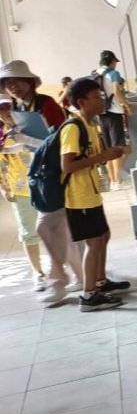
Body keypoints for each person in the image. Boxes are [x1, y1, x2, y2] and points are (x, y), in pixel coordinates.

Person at [0, 59, 82, 303]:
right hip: (43, 175)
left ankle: (58, 280)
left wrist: (27, 140)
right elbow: (33, 143)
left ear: (29, 82)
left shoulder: (45, 104)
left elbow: (59, 141)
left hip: (59, 173)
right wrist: (17, 140)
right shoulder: (20, 107)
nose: (12, 86)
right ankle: (82, 276)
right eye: (7, 83)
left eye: (16, 81)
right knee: (63, 230)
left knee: (45, 227)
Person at [61, 77, 131, 312]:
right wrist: (102, 157)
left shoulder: (91, 125)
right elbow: (67, 166)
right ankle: (88, 296)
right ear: (81, 102)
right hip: (78, 196)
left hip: (90, 193)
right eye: (97, 97)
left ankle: (100, 282)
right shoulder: (73, 127)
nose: (102, 100)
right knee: (93, 242)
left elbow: (91, 156)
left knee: (103, 235)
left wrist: (110, 154)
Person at [0, 96, 46, 291]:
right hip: (19, 187)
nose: (6, 112)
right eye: (1, 109)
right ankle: (38, 273)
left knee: (57, 227)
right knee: (28, 232)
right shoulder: (1, 134)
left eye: (9, 107)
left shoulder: (32, 124)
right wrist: (3, 187)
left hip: (44, 183)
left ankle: (65, 266)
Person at [95, 50, 131, 190]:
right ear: (112, 61)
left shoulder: (95, 73)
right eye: (115, 61)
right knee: (117, 148)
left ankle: (113, 180)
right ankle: (118, 181)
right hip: (114, 112)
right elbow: (116, 91)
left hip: (101, 113)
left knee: (108, 148)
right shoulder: (113, 73)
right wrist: (126, 105)